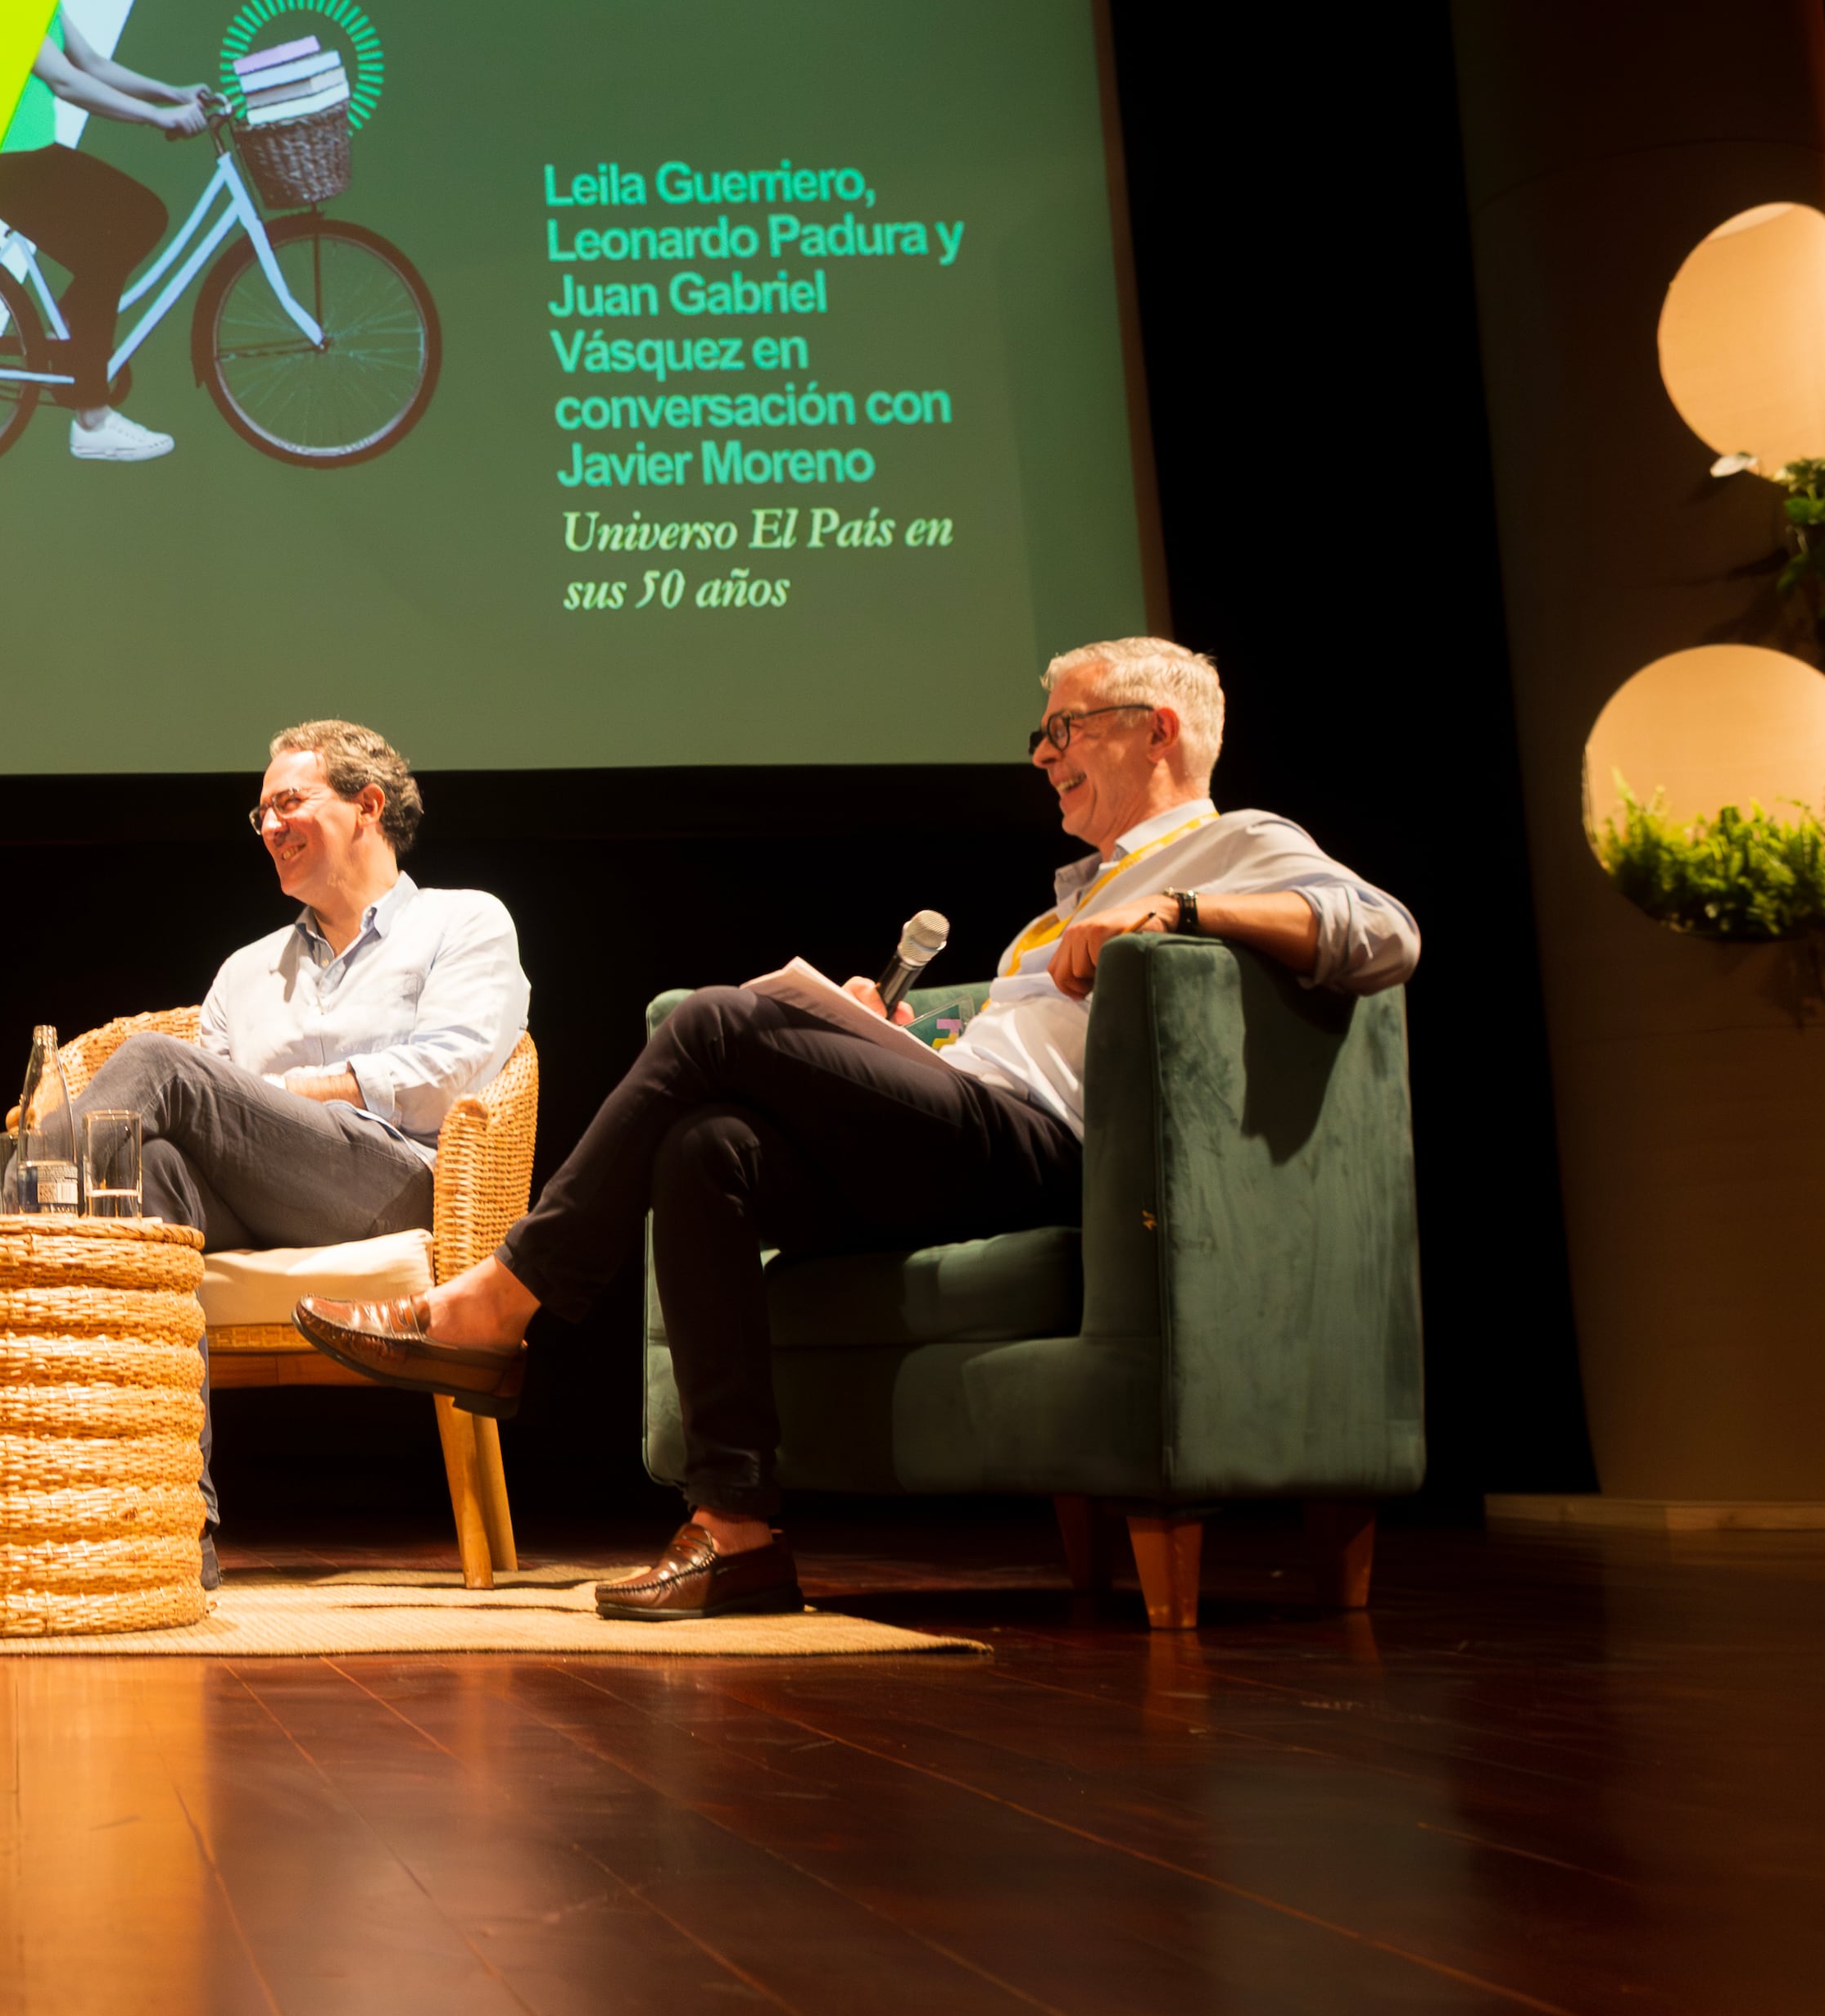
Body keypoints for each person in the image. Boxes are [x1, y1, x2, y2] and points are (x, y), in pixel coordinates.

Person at [300, 637, 1422, 1620]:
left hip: (1047, 1152)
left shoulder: (1230, 847)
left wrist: (1184, 910)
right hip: (968, 1123)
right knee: (708, 1151)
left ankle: (503, 1301)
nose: (1042, 754)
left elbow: (1384, 934)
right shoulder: (1065, 904)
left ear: (1158, 729)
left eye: (1064, 727)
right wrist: (886, 1041)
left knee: (709, 1026)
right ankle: (735, 1528)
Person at [0, 720, 529, 1563]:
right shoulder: (247, 969)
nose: (269, 826)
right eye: (259, 813)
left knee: (155, 1067)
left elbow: (458, 1069)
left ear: (365, 807)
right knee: (152, 1177)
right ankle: (173, 1528)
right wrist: (253, 1104)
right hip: (256, 1195)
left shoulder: (463, 923)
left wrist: (303, 1089)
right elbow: (212, 1119)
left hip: (392, 1184)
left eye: (288, 802)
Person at [0, 19, 216, 464]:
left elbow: (90, 62)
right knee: (106, 248)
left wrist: (172, 93)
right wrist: (155, 116)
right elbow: (65, 81)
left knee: (143, 216)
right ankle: (92, 418)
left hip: (25, 152)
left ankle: (68, 333)